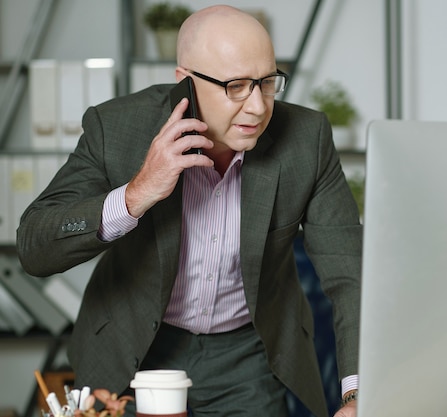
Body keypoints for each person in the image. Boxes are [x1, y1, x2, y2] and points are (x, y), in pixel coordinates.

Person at [16, 5, 361, 417]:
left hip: (245, 355)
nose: (256, 107)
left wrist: (357, 393)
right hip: (137, 347)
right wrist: (136, 194)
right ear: (186, 82)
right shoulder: (117, 128)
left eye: (267, 83)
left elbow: (349, 275)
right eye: (235, 86)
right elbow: (34, 246)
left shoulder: (307, 138)